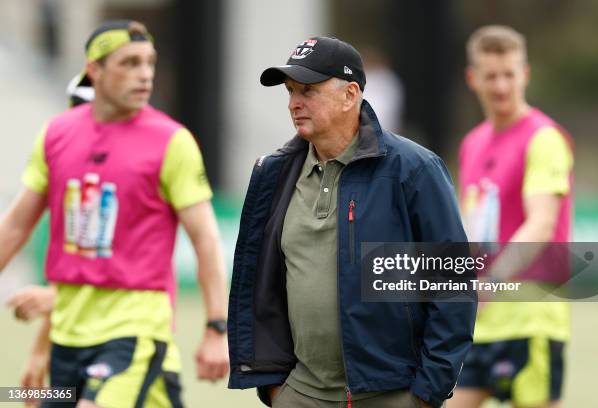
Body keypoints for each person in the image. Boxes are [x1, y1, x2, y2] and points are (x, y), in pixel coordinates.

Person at [227, 36, 477, 408]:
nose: (295, 102)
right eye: (291, 91)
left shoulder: (414, 169)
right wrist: (275, 388)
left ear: (350, 95)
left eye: (309, 90)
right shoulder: (273, 173)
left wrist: (426, 394)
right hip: (300, 393)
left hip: (391, 395)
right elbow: (260, 284)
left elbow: (453, 282)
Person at [0, 20, 229, 407]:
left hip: (134, 329)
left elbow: (206, 239)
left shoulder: (171, 141)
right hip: (69, 335)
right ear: (95, 70)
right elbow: (16, 226)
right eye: (130, 63)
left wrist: (217, 328)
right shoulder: (56, 134)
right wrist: (40, 349)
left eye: (149, 63)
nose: (145, 75)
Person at [449, 26, 574, 408]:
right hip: (479, 325)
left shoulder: (544, 139)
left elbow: (541, 223)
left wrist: (493, 280)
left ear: (525, 74)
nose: (501, 86)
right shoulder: (472, 143)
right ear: (474, 79)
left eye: (509, 74)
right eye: (491, 75)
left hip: (530, 321)